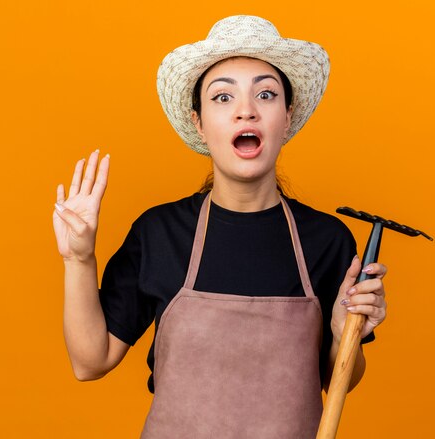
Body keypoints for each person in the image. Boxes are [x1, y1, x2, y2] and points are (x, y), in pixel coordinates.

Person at [52, 15, 388, 438]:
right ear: (199, 123)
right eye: (223, 98)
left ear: (286, 117)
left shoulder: (327, 240)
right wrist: (78, 258)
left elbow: (338, 378)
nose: (246, 110)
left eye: (265, 94)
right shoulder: (159, 233)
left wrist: (344, 333)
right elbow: (90, 360)